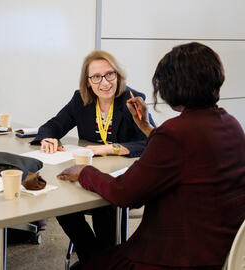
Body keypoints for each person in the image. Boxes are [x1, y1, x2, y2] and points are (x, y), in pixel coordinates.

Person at [57, 42, 245, 270]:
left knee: (89, 264)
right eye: (96, 77)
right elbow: (188, 153)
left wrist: (85, 172)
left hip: (174, 256)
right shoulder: (232, 124)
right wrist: (147, 129)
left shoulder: (175, 133)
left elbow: (124, 193)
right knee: (98, 257)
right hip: (221, 249)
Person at [31, 50, 155, 267]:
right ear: (88, 82)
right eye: (96, 77)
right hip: (86, 175)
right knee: (61, 202)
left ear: (118, 75)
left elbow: (152, 141)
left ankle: (95, 260)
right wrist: (47, 138)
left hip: (121, 179)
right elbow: (52, 125)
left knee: (103, 205)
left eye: (110, 74)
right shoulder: (80, 99)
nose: (104, 82)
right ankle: (97, 260)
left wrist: (109, 148)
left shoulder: (132, 100)